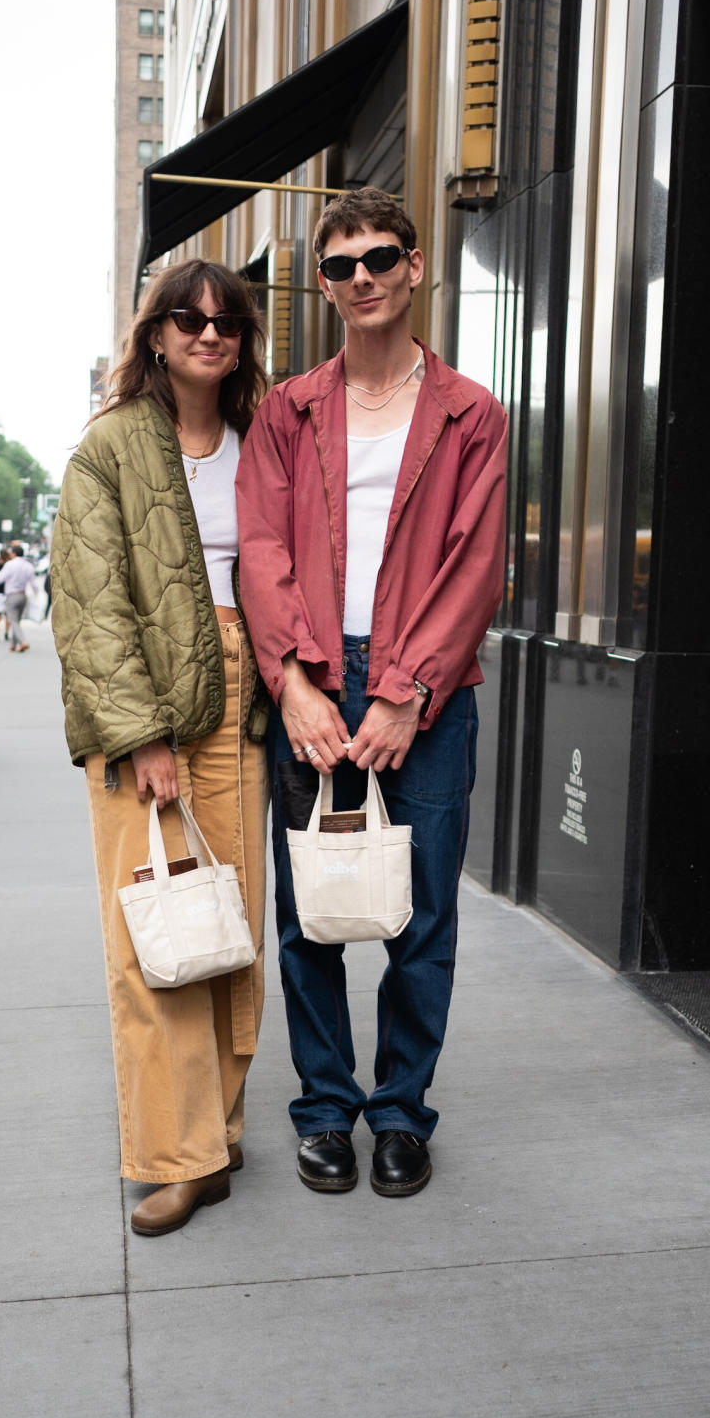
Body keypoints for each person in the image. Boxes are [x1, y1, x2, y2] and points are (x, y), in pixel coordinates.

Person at [236, 187, 508, 1197]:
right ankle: (323, 1111)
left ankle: (399, 1113)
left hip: (422, 690)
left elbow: (477, 565)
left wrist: (406, 693)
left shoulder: (470, 413)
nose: (363, 278)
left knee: (419, 913)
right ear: (323, 283)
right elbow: (260, 550)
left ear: (416, 265)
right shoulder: (289, 410)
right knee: (313, 907)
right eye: (342, 265)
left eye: (381, 257)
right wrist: (299, 683)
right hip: (313, 671)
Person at [51, 259, 270, 1237]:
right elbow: (90, 605)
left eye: (228, 320)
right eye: (189, 317)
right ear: (155, 332)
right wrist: (141, 736)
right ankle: (176, 1159)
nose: (209, 332)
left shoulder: (257, 438)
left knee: (227, 926)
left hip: (245, 695)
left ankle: (216, 1129)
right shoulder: (109, 448)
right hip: (152, 703)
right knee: (157, 930)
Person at [0, 543, 35, 652]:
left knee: (13, 620)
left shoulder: (10, 565)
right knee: (17, 620)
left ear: (14, 554)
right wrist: (35, 595)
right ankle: (13, 644)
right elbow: (34, 584)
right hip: (23, 595)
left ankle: (23, 641)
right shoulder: (28, 566)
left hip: (12, 596)